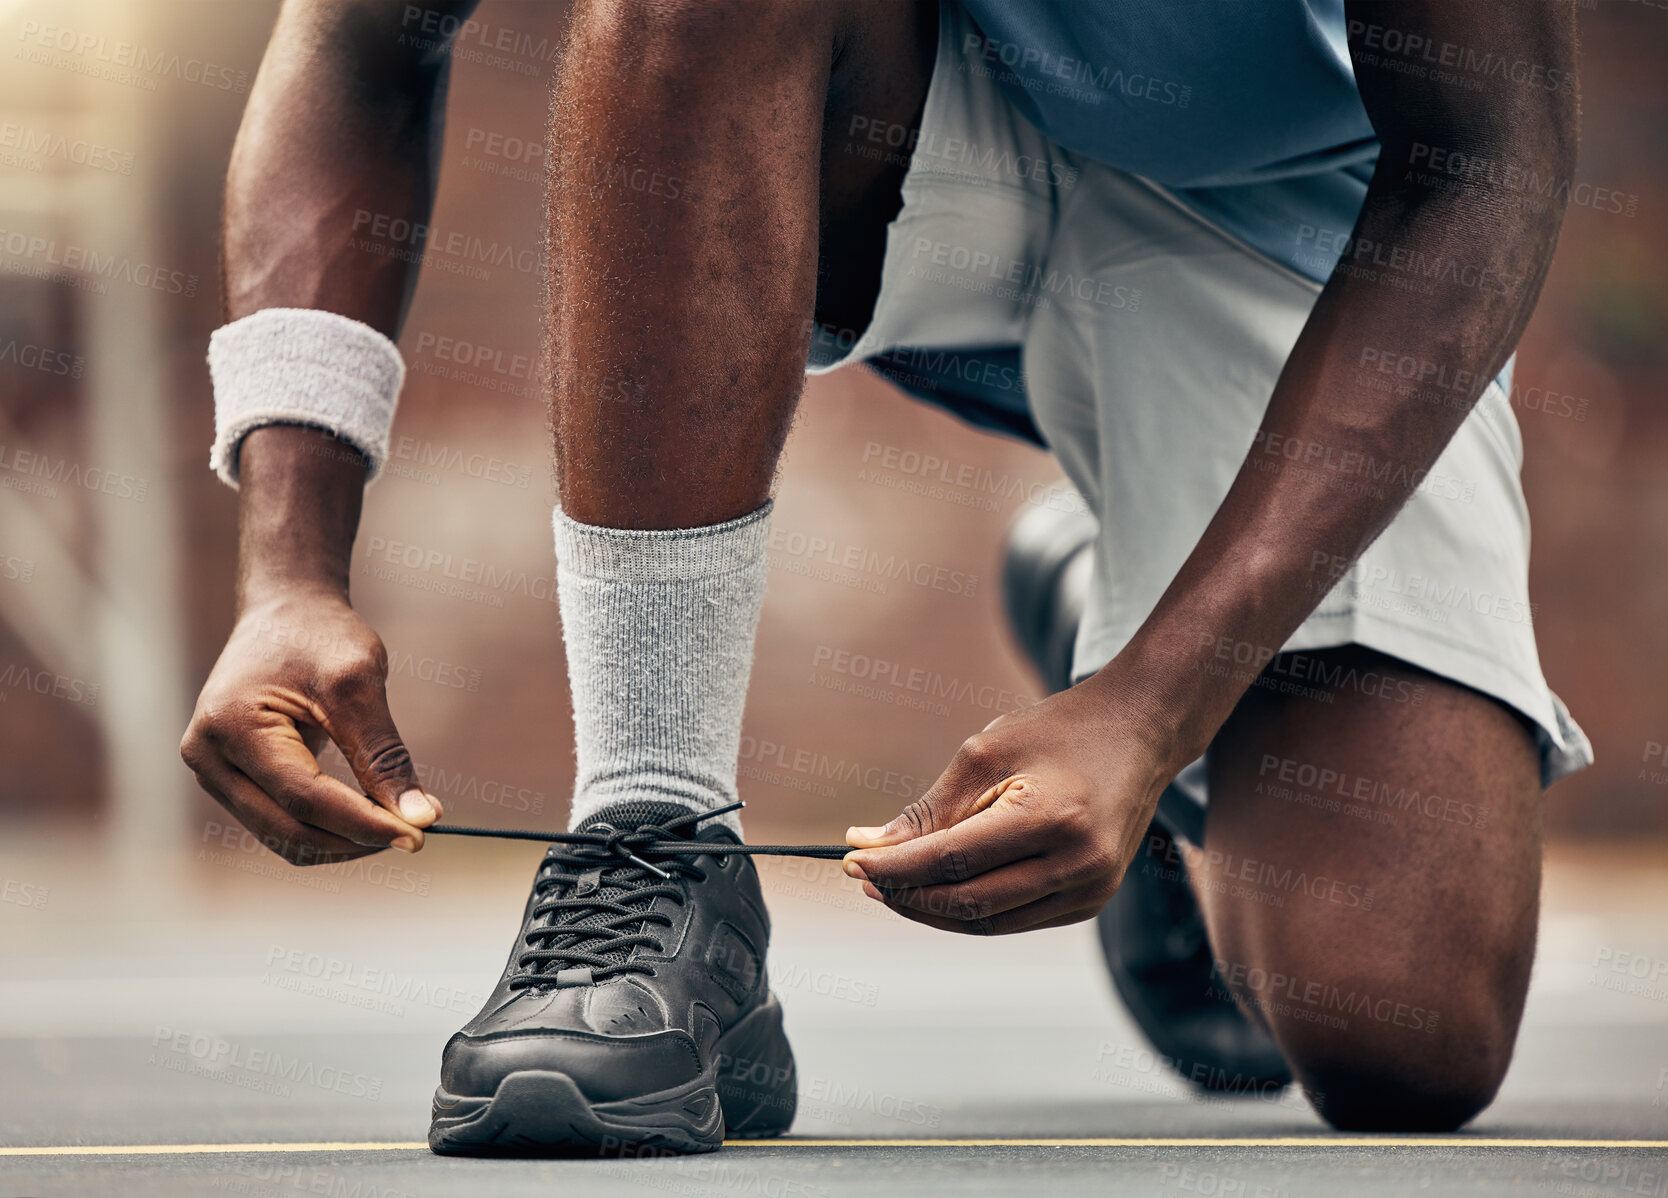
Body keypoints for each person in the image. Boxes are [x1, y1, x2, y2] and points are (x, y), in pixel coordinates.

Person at [182, 0, 1587, 1154]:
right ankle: (652, 842)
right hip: (895, 114)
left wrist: (1159, 703)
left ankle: (1117, 620)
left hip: (1292, 194)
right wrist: (287, 570)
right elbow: (362, 42)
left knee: (1404, 1031)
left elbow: (1487, 158)